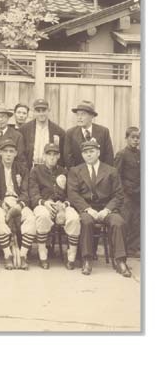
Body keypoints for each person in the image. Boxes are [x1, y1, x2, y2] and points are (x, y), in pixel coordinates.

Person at [67, 139, 131, 277]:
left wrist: (107, 210)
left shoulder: (111, 171)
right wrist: (87, 209)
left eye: (91, 152)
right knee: (86, 221)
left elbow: (119, 195)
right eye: (85, 152)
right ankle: (87, 260)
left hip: (106, 208)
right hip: (86, 209)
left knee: (118, 222)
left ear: (98, 152)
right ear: (82, 155)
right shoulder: (75, 171)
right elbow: (72, 194)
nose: (88, 155)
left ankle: (120, 261)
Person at [29, 143, 80, 270]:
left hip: (62, 204)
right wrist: (44, 202)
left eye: (54, 154)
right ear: (44, 156)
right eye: (49, 154)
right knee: (43, 216)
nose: (52, 157)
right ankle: (43, 255)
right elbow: (33, 193)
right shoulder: (36, 171)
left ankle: (71, 257)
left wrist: (65, 204)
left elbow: (72, 193)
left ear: (58, 156)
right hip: (44, 203)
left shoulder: (64, 171)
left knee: (74, 218)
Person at [0, 139, 36, 270]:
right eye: (5, 151)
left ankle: (22, 255)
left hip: (18, 202)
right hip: (1, 202)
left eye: (11, 151)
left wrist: (20, 205)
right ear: (0, 153)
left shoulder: (22, 169)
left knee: (31, 218)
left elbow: (25, 191)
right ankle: (7, 255)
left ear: (16, 153)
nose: (8, 154)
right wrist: (0, 203)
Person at [63, 100, 114, 168]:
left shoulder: (103, 132)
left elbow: (109, 157)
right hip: (78, 175)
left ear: (92, 116)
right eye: (78, 114)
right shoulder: (70, 133)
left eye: (83, 114)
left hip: (100, 175)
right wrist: (77, 174)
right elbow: (68, 159)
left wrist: (103, 175)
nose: (79, 117)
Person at [115, 127, 141, 257]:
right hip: (126, 194)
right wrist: (123, 191)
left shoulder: (142, 154)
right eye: (133, 137)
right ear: (126, 138)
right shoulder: (122, 154)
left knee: (137, 221)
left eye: (138, 138)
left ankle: (133, 248)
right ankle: (122, 249)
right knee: (125, 221)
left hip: (139, 194)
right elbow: (116, 175)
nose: (136, 140)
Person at [19, 99, 65, 169]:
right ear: (34, 112)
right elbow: (21, 153)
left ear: (48, 110)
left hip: (50, 170)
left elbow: (61, 156)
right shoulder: (24, 129)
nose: (41, 114)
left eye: (44, 110)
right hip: (30, 169)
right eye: (38, 111)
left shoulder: (58, 131)